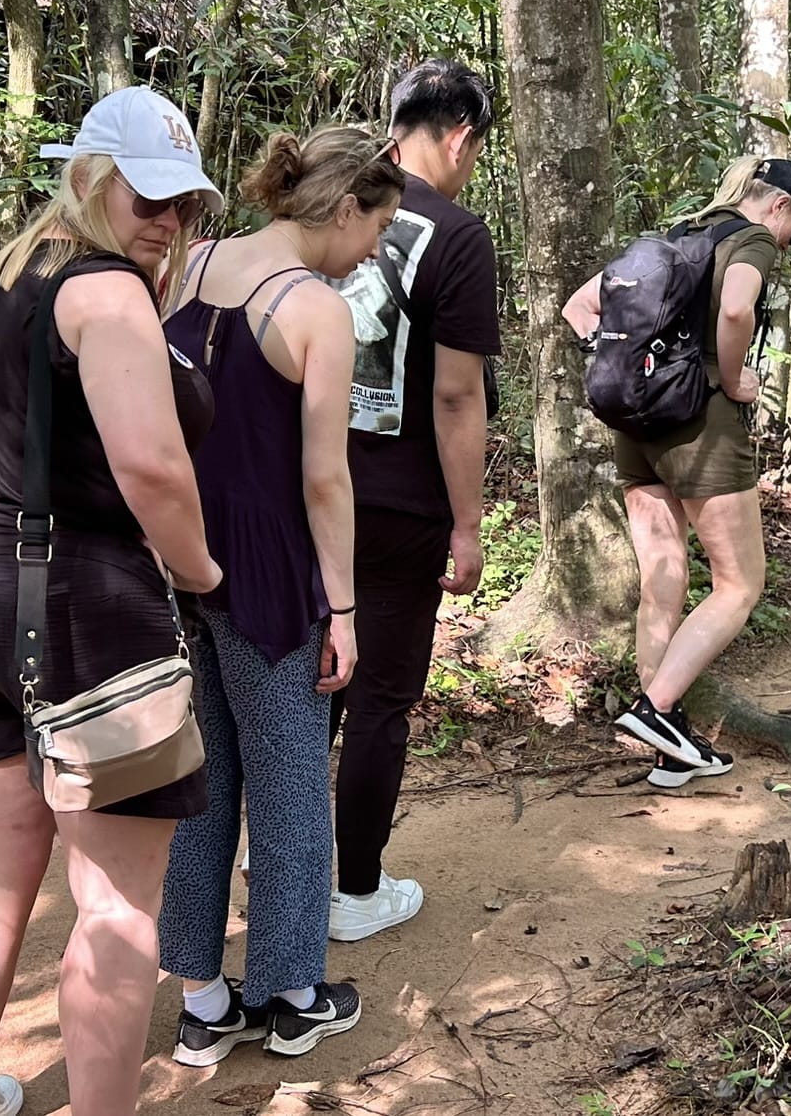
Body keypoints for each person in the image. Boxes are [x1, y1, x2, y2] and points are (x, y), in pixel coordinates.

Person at [0, 86, 224, 1116]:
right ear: (89, 178)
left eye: (184, 205)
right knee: (120, 903)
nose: (167, 221)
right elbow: (154, 468)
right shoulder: (108, 293)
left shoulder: (4, 276)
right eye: (149, 196)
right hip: (93, 608)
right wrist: (200, 574)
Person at [157, 128, 404, 1065]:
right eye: (376, 226)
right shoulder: (313, 310)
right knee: (293, 778)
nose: (375, 248)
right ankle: (294, 994)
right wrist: (341, 611)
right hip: (268, 571)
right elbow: (325, 479)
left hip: (178, 558)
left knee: (200, 779)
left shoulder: (190, 265)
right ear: (344, 208)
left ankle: (203, 996)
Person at [561, 157, 791, 788]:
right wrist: (731, 380)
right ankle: (654, 709)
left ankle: (666, 745)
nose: (789, 244)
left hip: (636, 429)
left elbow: (578, 307)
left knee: (663, 580)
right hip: (700, 423)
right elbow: (735, 312)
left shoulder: (677, 235)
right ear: (779, 207)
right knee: (739, 583)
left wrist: (640, 372)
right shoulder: (750, 238)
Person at [329, 60, 500, 941]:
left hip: (308, 490)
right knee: (382, 696)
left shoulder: (326, 211)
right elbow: (457, 396)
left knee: (307, 682)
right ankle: (355, 890)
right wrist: (468, 526)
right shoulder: (458, 237)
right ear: (460, 135)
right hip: (401, 505)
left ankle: (278, 853)